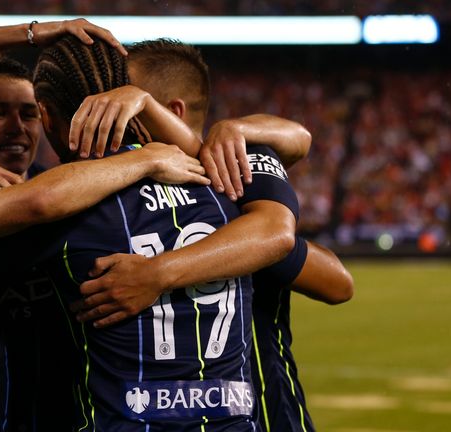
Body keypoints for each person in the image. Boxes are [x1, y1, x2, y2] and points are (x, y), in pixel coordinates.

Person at [0, 35, 301, 430]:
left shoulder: (53, 215)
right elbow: (316, 263)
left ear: (46, 116)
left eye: (29, 113)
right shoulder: (217, 179)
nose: (18, 128)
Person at [70, 38, 354, 432]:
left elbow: (336, 281)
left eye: (126, 103)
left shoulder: (231, 188)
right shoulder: (125, 195)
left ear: (170, 111)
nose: (111, 117)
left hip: (266, 412)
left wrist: (158, 272)